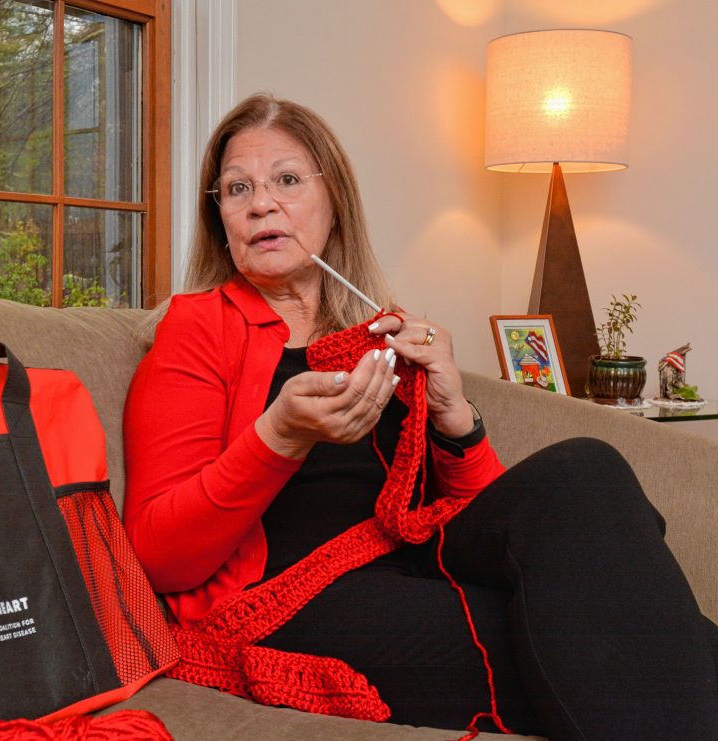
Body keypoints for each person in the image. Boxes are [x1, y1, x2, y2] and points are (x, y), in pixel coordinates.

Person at [122, 93, 718, 738]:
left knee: (585, 469)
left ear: (334, 201)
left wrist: (453, 414)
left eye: (287, 180)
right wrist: (279, 436)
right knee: (635, 638)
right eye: (237, 189)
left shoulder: (383, 331)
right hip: (288, 597)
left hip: (417, 561)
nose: (261, 203)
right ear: (221, 218)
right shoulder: (197, 328)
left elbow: (488, 523)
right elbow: (158, 555)